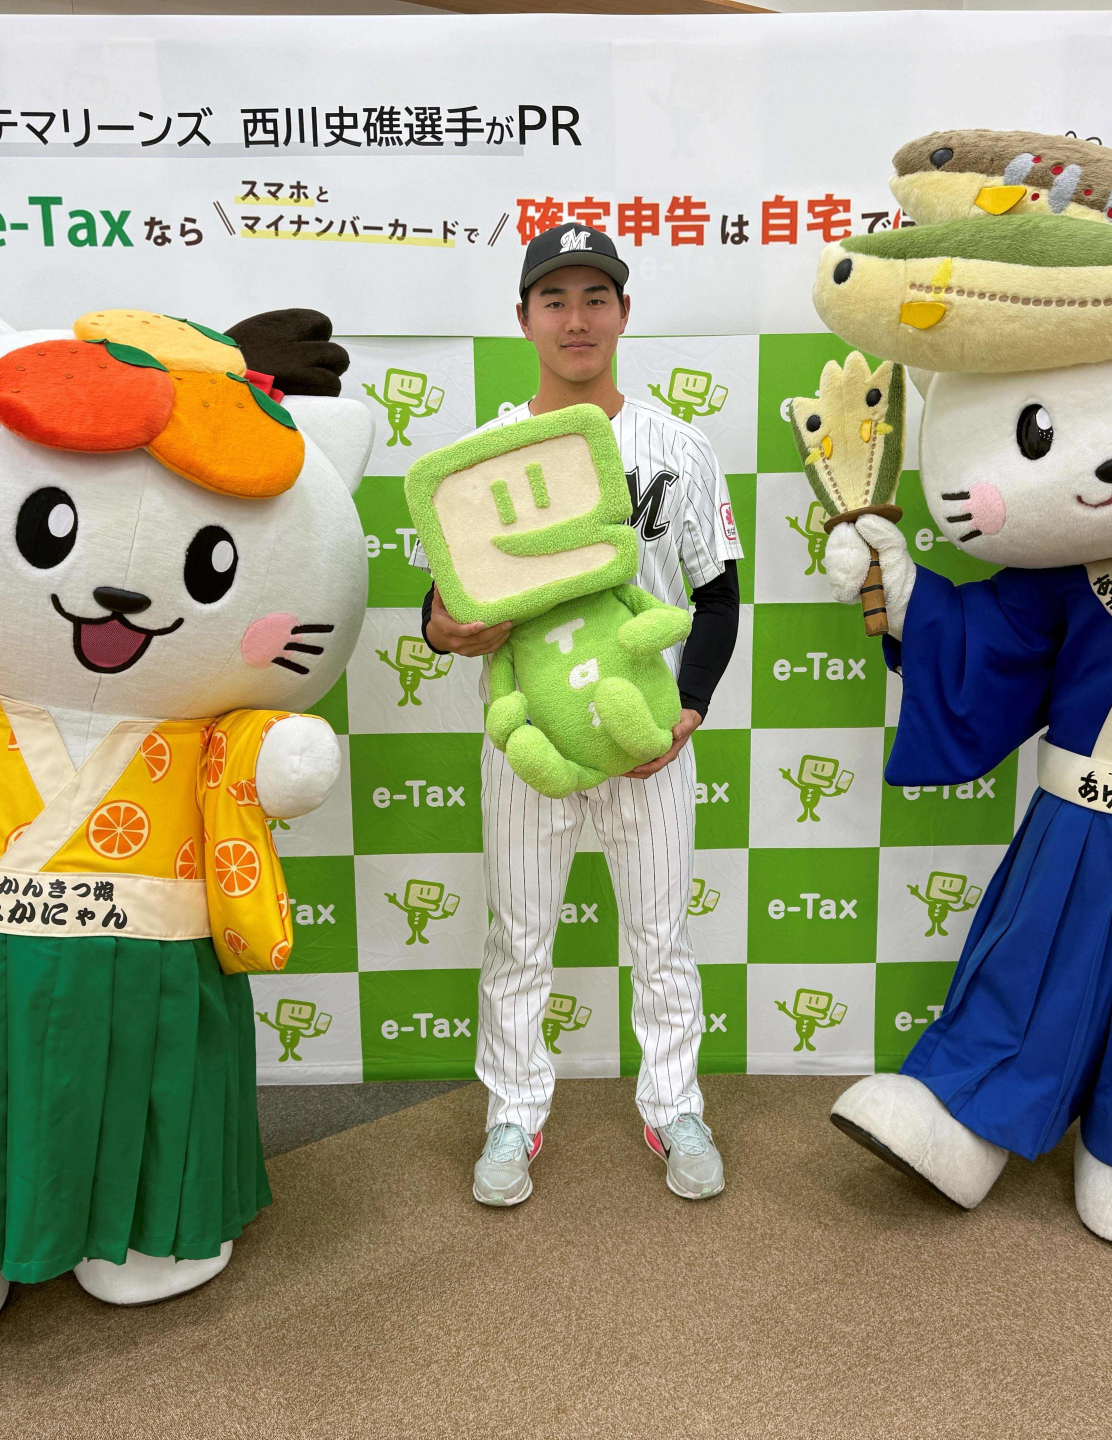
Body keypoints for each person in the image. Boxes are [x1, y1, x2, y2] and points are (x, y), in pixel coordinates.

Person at [413, 222, 743, 1206]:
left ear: (624, 312)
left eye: (595, 297)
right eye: (554, 299)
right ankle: (512, 1115)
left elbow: (717, 594)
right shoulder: (482, 456)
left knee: (661, 939)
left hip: (649, 738)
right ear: (523, 318)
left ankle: (675, 1106)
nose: (576, 318)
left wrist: (690, 709)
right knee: (519, 938)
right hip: (532, 744)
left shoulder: (678, 447)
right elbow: (441, 606)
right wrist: (442, 629)